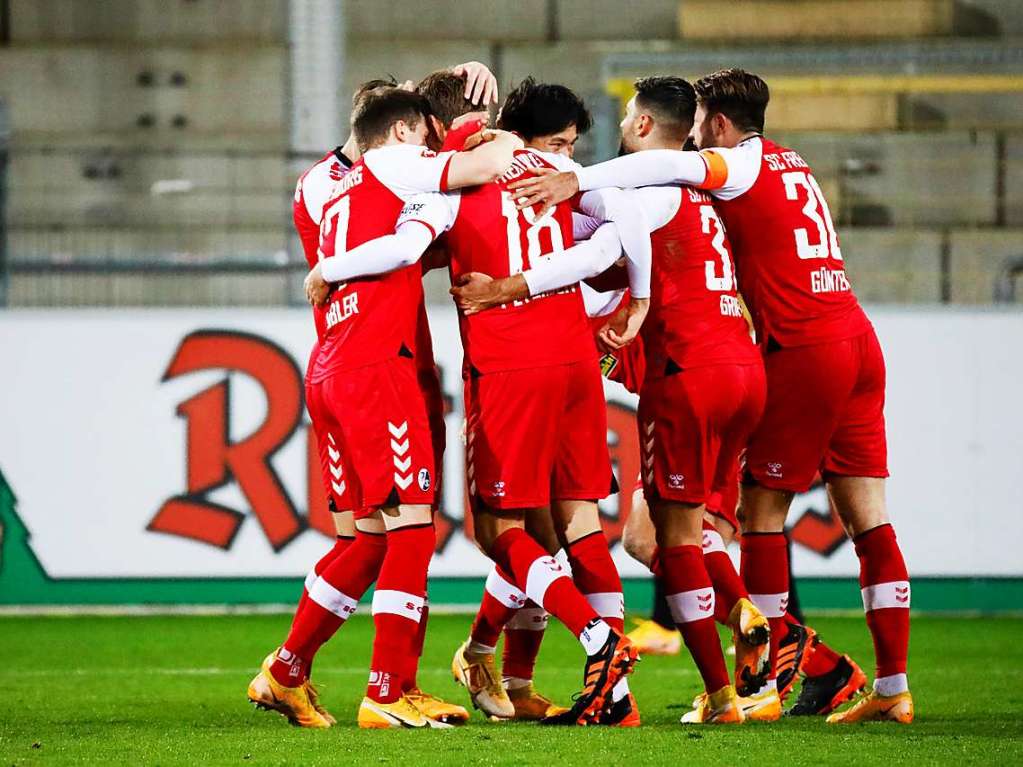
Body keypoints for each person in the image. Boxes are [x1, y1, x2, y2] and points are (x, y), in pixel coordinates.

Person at [508, 67, 912, 725]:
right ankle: (858, 677)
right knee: (679, 533)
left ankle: (763, 679)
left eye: (702, 130)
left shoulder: (716, 170)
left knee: (742, 522)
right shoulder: (787, 163)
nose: (696, 145)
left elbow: (627, 211)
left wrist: (566, 188)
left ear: (715, 125)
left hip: (771, 355)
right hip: (829, 340)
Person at [249, 85, 521, 730]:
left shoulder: (341, 191)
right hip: (378, 368)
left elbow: (410, 245)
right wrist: (489, 135)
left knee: (370, 538)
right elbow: (478, 173)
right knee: (412, 527)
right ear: (402, 133)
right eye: (423, 137)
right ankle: (389, 689)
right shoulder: (394, 166)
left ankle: (285, 673)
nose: (430, 148)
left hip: (336, 366)